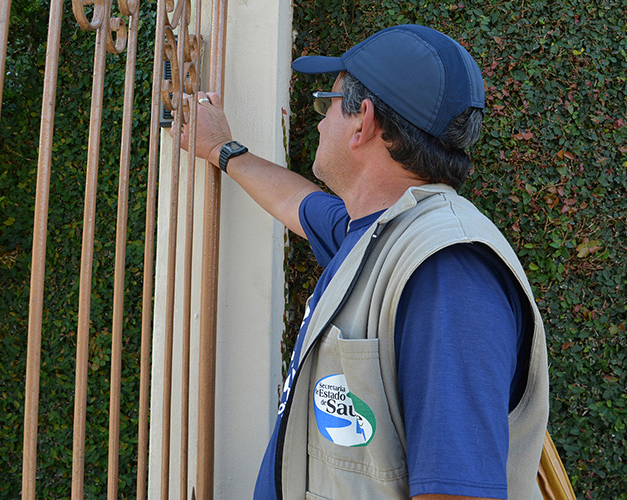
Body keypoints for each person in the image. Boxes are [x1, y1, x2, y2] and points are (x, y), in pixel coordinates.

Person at [175, 24, 549, 500]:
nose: (319, 122)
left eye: (324, 104)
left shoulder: (446, 273)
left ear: (363, 121)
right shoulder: (376, 232)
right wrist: (220, 149)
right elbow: (299, 204)